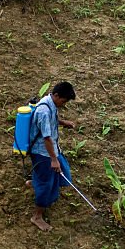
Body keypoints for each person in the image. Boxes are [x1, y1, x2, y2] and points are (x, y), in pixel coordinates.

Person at [28, 81, 77, 231]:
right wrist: (54, 160)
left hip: (53, 149)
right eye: (63, 100)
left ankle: (36, 181)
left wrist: (62, 122)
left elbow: (50, 122)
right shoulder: (44, 110)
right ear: (56, 95)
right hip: (43, 153)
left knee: (64, 175)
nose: (64, 104)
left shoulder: (51, 104)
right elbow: (46, 138)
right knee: (47, 184)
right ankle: (37, 216)